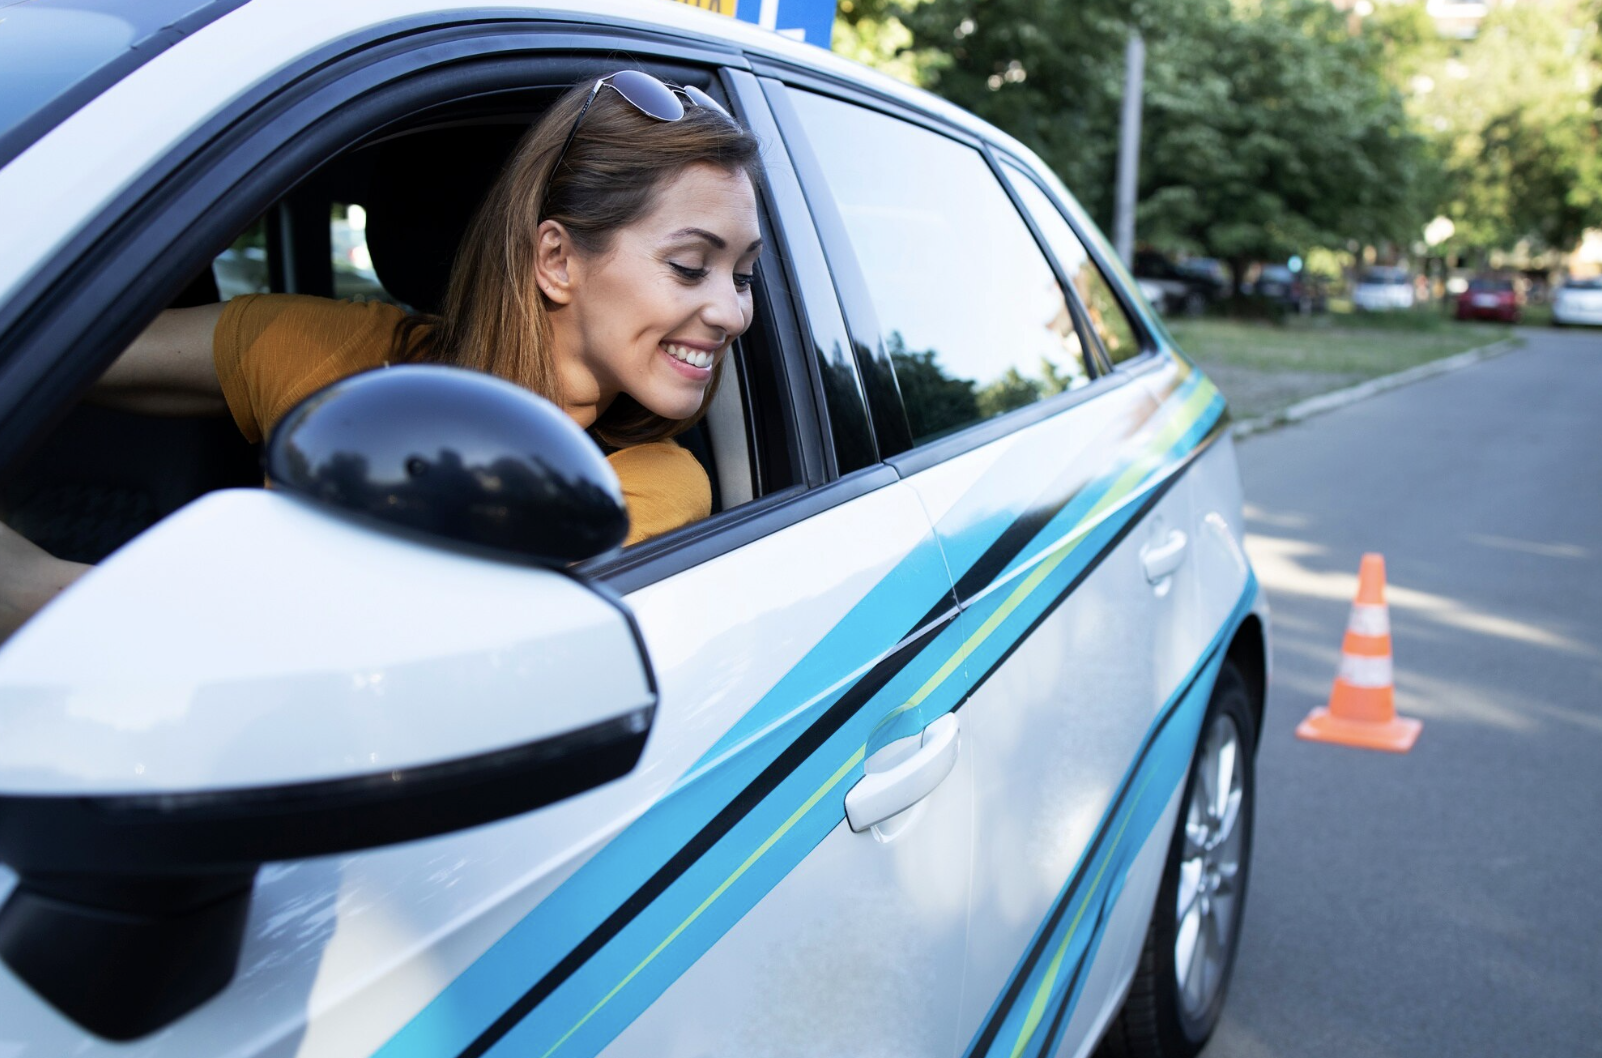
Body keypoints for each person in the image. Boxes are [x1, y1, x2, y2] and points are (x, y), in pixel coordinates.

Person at [0, 71, 765, 639]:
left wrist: (39, 591)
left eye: (742, 275)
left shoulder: (645, 488)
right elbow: (42, 346)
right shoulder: (338, 354)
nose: (733, 313)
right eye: (690, 266)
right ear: (557, 260)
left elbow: (380, 659)